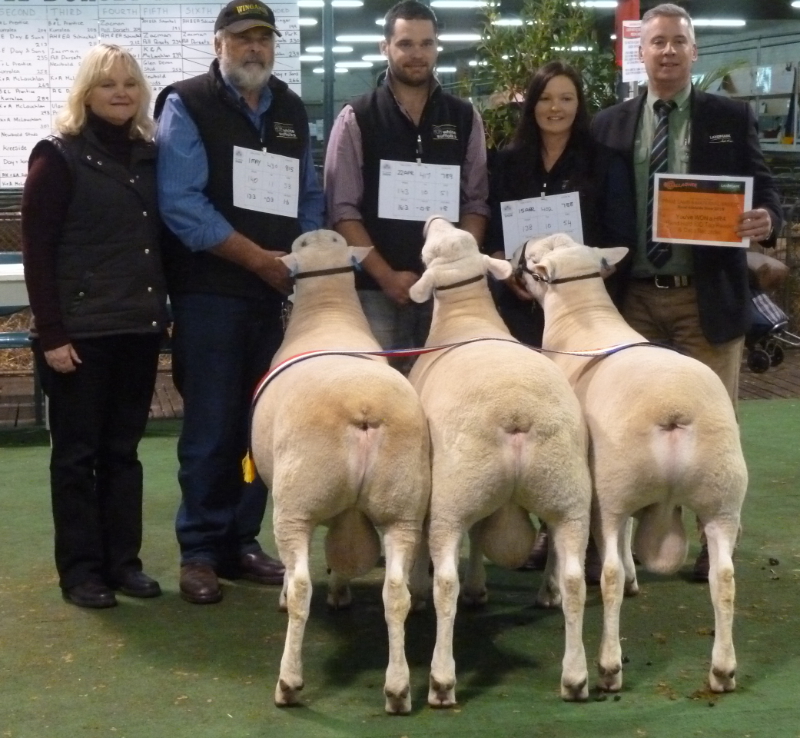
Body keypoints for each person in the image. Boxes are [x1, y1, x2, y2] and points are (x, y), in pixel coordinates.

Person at [591, 3, 782, 580]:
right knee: (631, 423)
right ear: (640, 52)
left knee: (715, 423)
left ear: (694, 52)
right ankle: (634, 544)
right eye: (657, 42)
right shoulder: (609, 125)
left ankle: (714, 545)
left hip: (706, 296)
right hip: (633, 302)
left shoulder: (729, 116)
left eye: (678, 41)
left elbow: (765, 189)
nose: (668, 51)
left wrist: (765, 218)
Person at [154, 0, 325, 604]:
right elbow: (180, 202)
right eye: (241, 38)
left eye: (263, 38)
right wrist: (258, 259)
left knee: (263, 423)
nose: (254, 48)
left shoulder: (291, 109)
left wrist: (299, 257)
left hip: (277, 297)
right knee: (211, 424)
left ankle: (241, 539)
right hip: (211, 295)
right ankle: (199, 548)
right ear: (219, 43)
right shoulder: (186, 102)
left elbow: (309, 194)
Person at [21, 44, 169, 609]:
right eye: (109, 84)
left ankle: (122, 563)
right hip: (79, 338)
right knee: (76, 456)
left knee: (123, 453)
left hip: (136, 327)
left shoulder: (150, 155)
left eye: (131, 83)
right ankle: (81, 571)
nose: (122, 93)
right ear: (86, 93)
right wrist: (53, 334)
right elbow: (38, 252)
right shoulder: (56, 157)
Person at [324, 0, 490, 360]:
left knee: (448, 393)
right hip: (376, 293)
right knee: (378, 398)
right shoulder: (357, 117)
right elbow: (342, 210)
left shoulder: (464, 117)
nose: (417, 54)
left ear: (436, 47)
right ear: (385, 48)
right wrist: (384, 276)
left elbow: (475, 201)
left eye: (426, 44)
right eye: (405, 44)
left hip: (449, 294)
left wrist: (457, 265)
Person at [486, 60, 636, 347]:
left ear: (579, 105)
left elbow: (622, 240)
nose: (556, 108)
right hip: (520, 310)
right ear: (531, 105)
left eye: (566, 99)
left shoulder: (605, 163)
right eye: (545, 99)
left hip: (584, 314)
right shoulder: (507, 163)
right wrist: (509, 274)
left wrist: (584, 278)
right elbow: (494, 234)